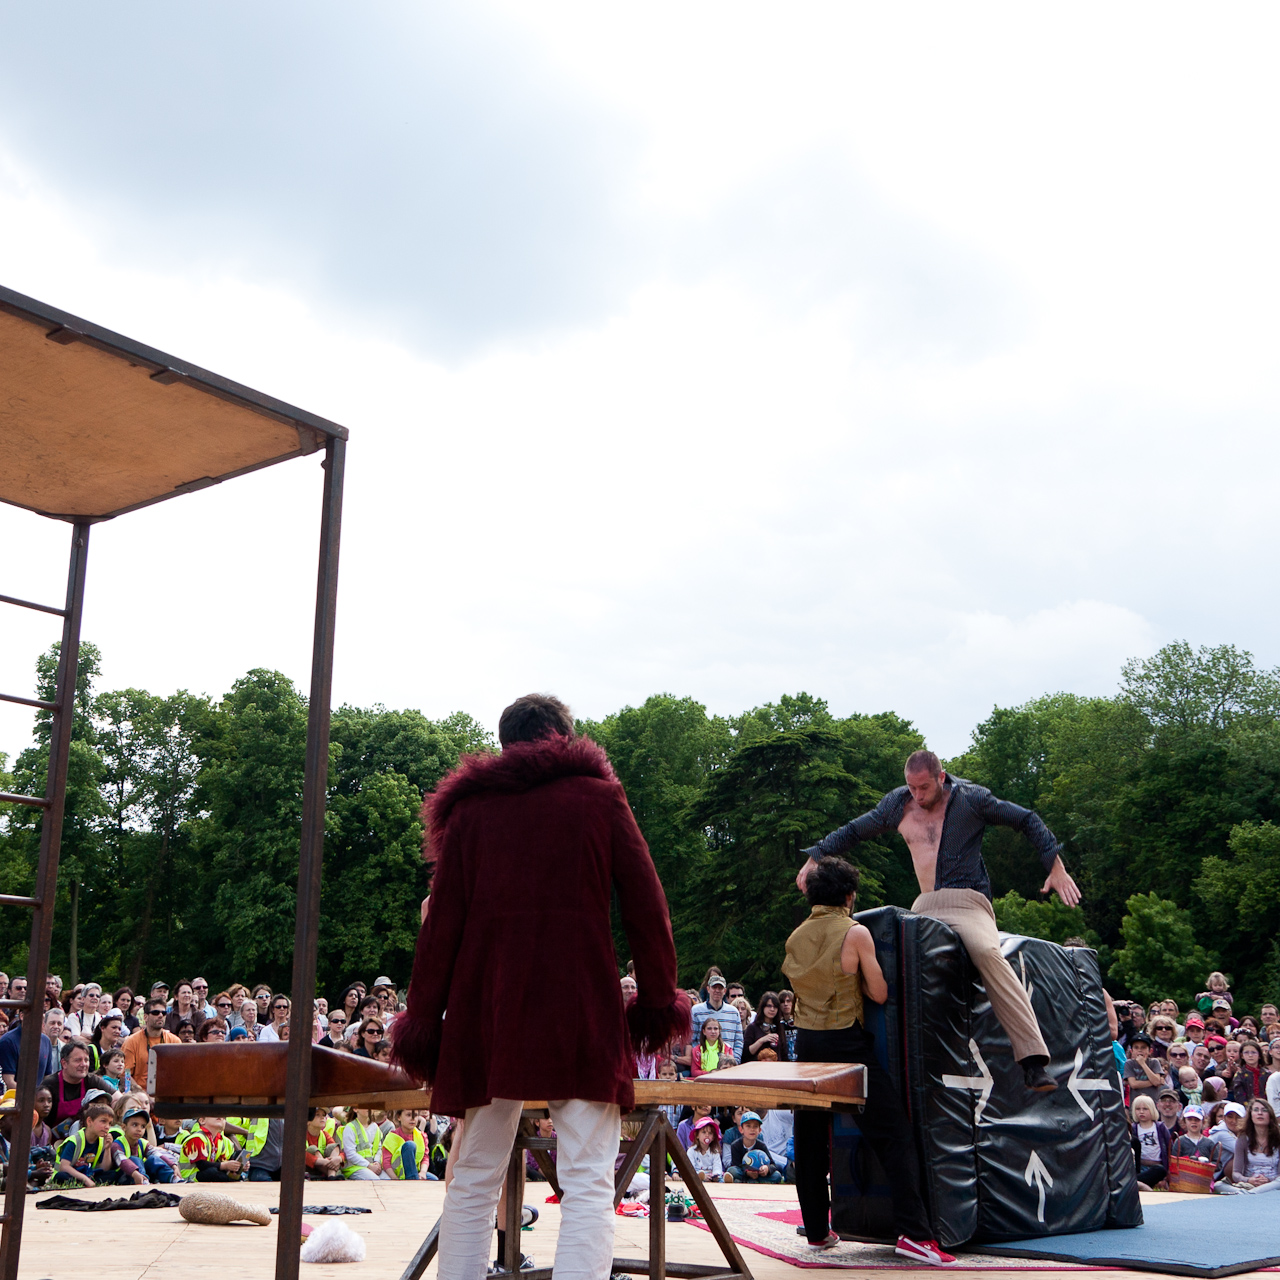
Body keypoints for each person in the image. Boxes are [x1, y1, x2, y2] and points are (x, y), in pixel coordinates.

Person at [392, 693, 688, 1280]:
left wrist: (424, 1020)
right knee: (588, 1180)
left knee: (473, 1178)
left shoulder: (471, 812)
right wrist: (656, 1000)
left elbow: (440, 929)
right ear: (564, 737)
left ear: (505, 747)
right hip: (578, 1006)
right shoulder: (600, 798)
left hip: (487, 1011)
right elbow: (648, 908)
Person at [801, 750, 1075, 1092]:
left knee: (987, 953)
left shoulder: (972, 800)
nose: (917, 795)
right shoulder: (897, 805)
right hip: (925, 904)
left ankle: (1032, 1060)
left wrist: (1055, 866)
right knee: (891, 959)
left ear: (941, 778)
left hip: (967, 902)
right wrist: (815, 857)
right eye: (912, 788)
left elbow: (1026, 819)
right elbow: (854, 831)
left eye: (924, 788)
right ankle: (887, 1057)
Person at [782, 854, 954, 1265]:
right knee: (894, 1134)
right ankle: (915, 1234)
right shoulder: (855, 932)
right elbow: (879, 993)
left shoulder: (795, 936)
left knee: (810, 1138)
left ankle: (817, 1231)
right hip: (845, 1043)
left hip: (806, 1044)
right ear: (848, 896)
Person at [39, 1040, 111, 1130]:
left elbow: (117, 1098)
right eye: (78, 1060)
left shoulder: (91, 1080)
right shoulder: (49, 1085)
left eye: (86, 1060)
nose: (83, 1064)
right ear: (64, 1063)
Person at [53, 1102, 120, 1187]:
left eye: (110, 1123)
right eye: (103, 1121)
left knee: (113, 1174)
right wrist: (85, 1179)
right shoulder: (74, 1141)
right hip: (73, 1174)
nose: (107, 1127)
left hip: (89, 1174)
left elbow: (104, 1169)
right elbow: (64, 1167)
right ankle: (83, 1183)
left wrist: (107, 1148)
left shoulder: (101, 1141)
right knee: (61, 1176)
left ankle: (87, 1183)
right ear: (89, 1121)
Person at [1225, 1098, 1280, 1192]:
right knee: (1219, 1185)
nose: (1260, 1113)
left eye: (1264, 1110)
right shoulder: (1243, 1138)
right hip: (1249, 1184)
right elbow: (1236, 1173)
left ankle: (1248, 1194)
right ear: (1250, 1115)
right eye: (1256, 1110)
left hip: (1273, 1185)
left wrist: (1268, 1180)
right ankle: (1250, 1192)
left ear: (1270, 1116)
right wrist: (1249, 1180)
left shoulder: (1278, 1137)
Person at [0, 1001, 55, 1091]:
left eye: (41, 1016)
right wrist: (32, 1096)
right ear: (22, 1016)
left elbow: (48, 1077)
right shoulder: (7, 1042)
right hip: (13, 1097)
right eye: (35, 1015)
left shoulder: (46, 1041)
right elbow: (8, 1081)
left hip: (39, 1096)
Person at [689, 976, 744, 1063]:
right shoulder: (696, 1011)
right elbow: (691, 1039)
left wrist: (735, 1060)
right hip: (704, 1064)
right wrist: (700, 1058)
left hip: (729, 1064)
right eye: (714, 987)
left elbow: (739, 1041)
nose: (717, 991)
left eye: (720, 988)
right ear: (708, 989)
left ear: (724, 991)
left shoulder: (734, 1012)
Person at [122, 999, 180, 1082]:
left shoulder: (175, 1042)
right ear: (145, 1017)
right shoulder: (131, 1041)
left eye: (164, 1013)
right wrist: (138, 1089)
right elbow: (125, 1074)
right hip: (140, 1089)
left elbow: (179, 1071)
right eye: (156, 1013)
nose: (160, 1015)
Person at [722, 1111, 782, 1185]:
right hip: (745, 1173)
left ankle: (747, 1181)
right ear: (741, 1130)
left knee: (777, 1175)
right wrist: (747, 1172)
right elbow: (736, 1165)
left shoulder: (761, 1145)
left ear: (759, 1130)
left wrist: (767, 1168)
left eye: (755, 1126)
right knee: (732, 1170)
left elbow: (773, 1164)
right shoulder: (736, 1145)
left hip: (759, 1174)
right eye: (748, 1126)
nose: (752, 1129)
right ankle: (750, 1181)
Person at [178, 1115, 244, 1182]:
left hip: (208, 1172)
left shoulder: (222, 1140)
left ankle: (235, 1178)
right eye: (213, 1114)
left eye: (223, 1117)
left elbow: (225, 1161)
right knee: (212, 1172)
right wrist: (225, 1165)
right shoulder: (196, 1138)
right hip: (191, 1177)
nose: (220, 1116)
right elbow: (201, 1165)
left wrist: (237, 1166)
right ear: (202, 1121)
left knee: (238, 1155)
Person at [1131, 1095, 1170, 1188]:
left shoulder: (1160, 1127)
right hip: (1140, 1167)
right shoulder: (1133, 1128)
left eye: (1145, 1109)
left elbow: (1169, 1147)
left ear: (1152, 1110)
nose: (1141, 1112)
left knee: (1159, 1170)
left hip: (1158, 1166)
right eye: (1138, 1109)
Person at [340, 1106, 385, 1180]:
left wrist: (377, 1162)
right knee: (376, 1180)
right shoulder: (350, 1127)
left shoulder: (375, 1127)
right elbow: (350, 1154)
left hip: (373, 1165)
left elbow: (379, 1148)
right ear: (355, 1109)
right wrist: (369, 1166)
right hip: (355, 1167)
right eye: (364, 1105)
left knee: (388, 1180)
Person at [743, 992, 787, 1063]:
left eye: (775, 1007)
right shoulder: (752, 1027)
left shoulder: (780, 1027)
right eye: (769, 1006)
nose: (772, 1009)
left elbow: (784, 1053)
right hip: (756, 1066)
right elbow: (746, 1053)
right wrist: (762, 1040)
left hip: (776, 1067)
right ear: (763, 1007)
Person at [685, 1116, 722, 1181]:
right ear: (697, 1135)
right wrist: (700, 1176)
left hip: (711, 1178)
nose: (707, 1135)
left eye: (710, 1133)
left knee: (721, 1179)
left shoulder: (715, 1152)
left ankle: (727, 1179)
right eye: (704, 1132)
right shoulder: (691, 1151)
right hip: (696, 1178)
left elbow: (717, 1167)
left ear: (713, 1137)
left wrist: (715, 1175)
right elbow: (690, 1169)